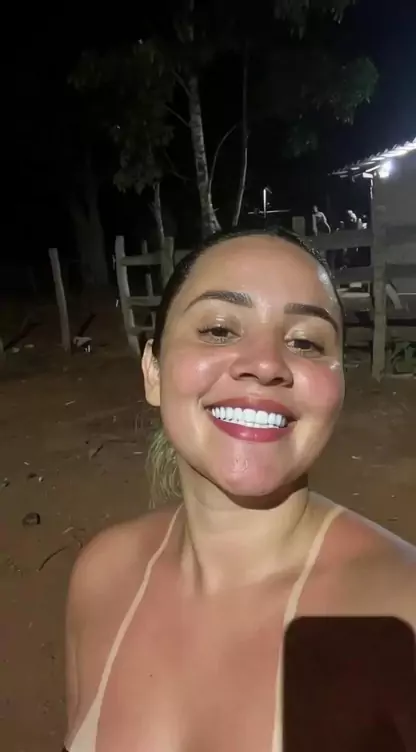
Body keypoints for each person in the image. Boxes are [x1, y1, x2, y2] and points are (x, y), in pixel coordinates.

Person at [64, 228, 416, 752]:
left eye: (305, 342)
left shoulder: (400, 616)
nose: (266, 364)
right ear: (153, 371)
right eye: (220, 329)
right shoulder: (101, 577)